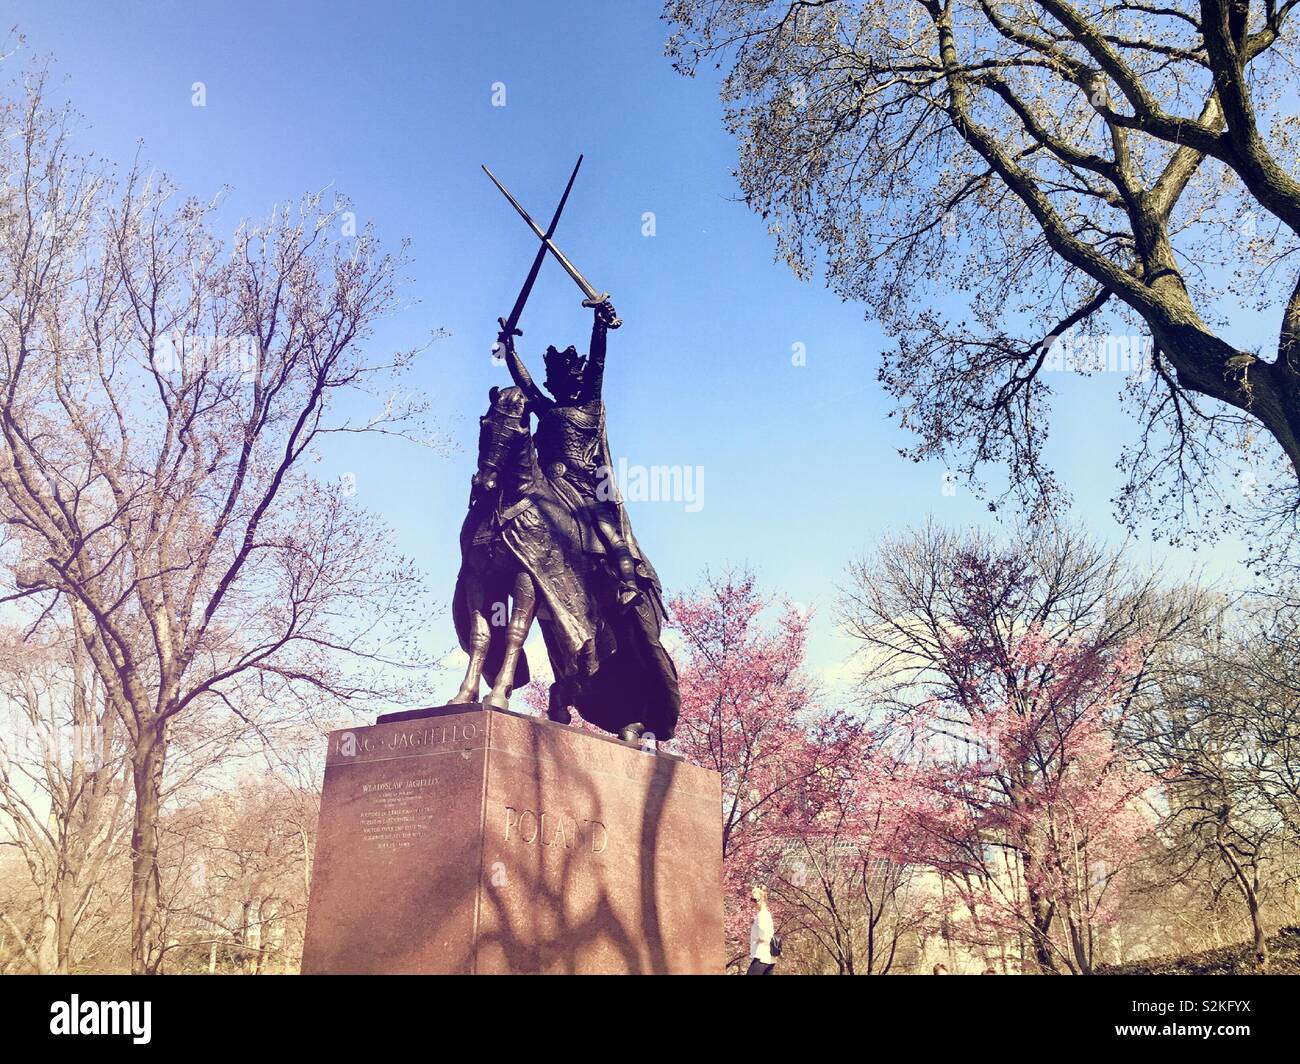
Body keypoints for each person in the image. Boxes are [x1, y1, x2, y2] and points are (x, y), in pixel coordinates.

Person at [499, 299, 642, 607]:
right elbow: (524, 382)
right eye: (559, 381)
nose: (566, 385)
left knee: (607, 530)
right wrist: (509, 350)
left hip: (583, 488)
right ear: (553, 385)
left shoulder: (589, 406)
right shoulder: (546, 409)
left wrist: (599, 326)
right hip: (550, 488)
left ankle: (629, 583)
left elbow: (598, 367)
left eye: (572, 379)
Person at [747, 885, 776, 975]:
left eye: (755, 900)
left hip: (761, 956)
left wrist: (761, 938)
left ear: (763, 899)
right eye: (752, 900)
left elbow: (763, 931)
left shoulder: (762, 915)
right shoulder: (766, 914)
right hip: (769, 958)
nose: (753, 902)